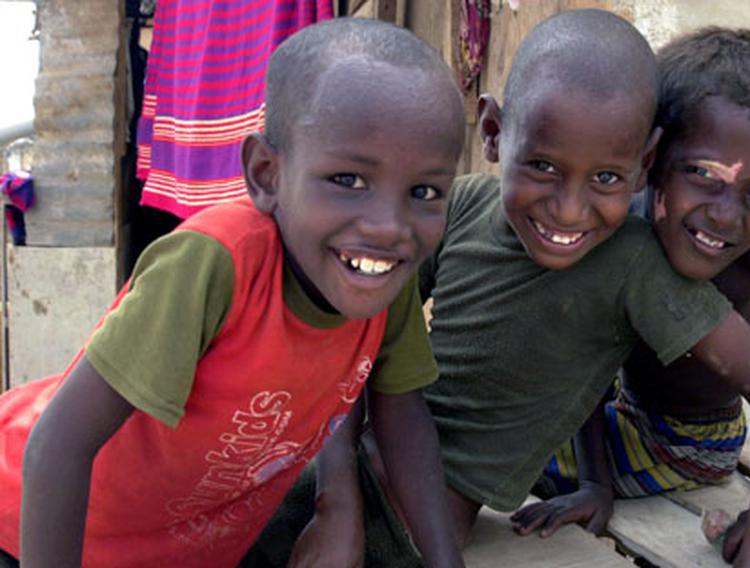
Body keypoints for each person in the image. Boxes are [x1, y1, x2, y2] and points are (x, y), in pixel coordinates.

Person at [246, 10, 750, 568]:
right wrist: (335, 498)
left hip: (406, 530)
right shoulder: (462, 205)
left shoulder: (635, 264)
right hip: (327, 469)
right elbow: (359, 342)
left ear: (645, 164)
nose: (568, 209)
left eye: (606, 178)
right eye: (542, 165)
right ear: (492, 132)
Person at [0, 18, 467, 568]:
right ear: (266, 175)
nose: (391, 226)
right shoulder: (215, 263)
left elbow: (402, 418)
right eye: (348, 180)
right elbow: (57, 444)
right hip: (29, 527)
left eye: (424, 192)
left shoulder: (385, 282)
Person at [531, 27, 750, 562]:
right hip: (620, 419)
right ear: (651, 158)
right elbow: (578, 362)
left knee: (502, 450)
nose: (726, 214)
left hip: (689, 448)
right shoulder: (617, 226)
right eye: (701, 174)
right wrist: (595, 483)